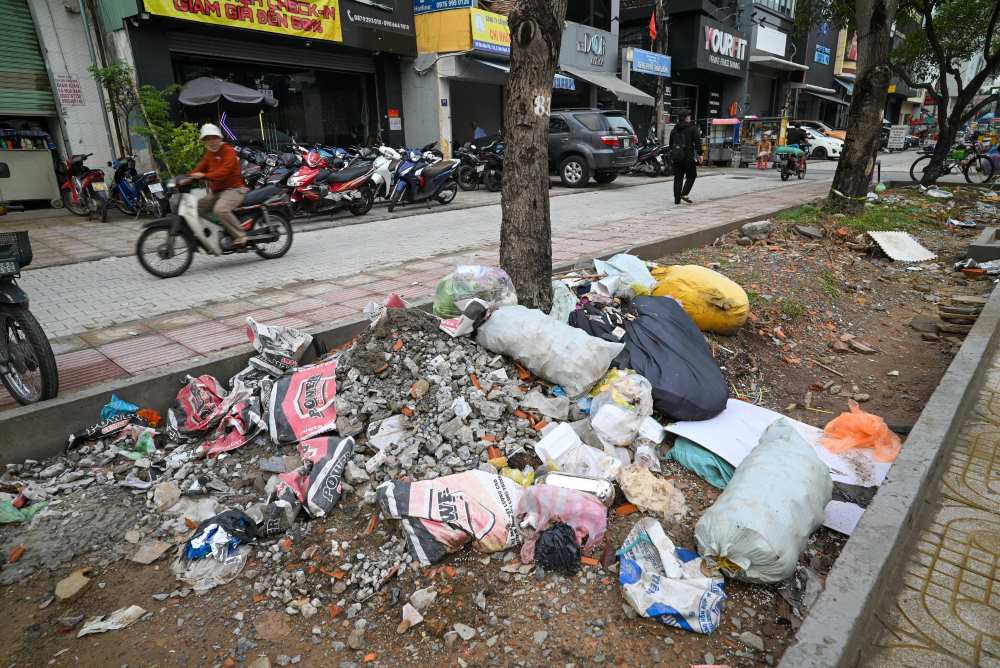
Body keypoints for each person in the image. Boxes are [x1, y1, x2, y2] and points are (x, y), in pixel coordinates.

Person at [190, 123, 248, 247]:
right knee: (196, 207)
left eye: (213, 138)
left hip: (234, 189)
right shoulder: (210, 153)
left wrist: (204, 176)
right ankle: (220, 228)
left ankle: (241, 235)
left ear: (219, 138)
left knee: (220, 209)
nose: (211, 142)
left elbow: (223, 172)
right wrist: (186, 177)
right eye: (207, 139)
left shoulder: (228, 151)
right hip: (217, 192)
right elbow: (199, 168)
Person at [669, 114, 701, 204]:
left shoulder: (674, 130)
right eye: (689, 117)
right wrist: (700, 154)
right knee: (692, 175)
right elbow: (698, 142)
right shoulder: (692, 128)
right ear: (686, 118)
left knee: (678, 178)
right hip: (688, 157)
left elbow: (671, 145)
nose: (690, 118)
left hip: (677, 157)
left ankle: (677, 200)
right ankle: (684, 193)